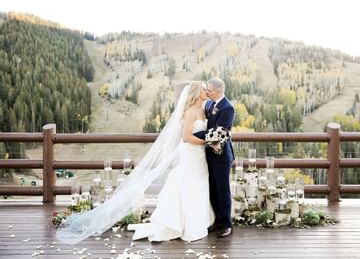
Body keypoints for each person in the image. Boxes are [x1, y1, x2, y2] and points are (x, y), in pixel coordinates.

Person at [57, 81, 214, 244]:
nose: (206, 91)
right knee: (190, 184)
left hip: (199, 155)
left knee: (199, 184)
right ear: (196, 93)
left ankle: (196, 222)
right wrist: (207, 141)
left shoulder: (202, 109)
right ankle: (183, 224)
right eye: (203, 89)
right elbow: (186, 137)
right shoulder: (190, 112)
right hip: (191, 153)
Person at [204, 77, 235, 238]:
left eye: (208, 90)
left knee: (223, 190)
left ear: (217, 91)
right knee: (212, 189)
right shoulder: (209, 104)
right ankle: (217, 220)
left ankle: (226, 224)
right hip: (208, 153)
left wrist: (195, 135)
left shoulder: (228, 108)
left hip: (221, 155)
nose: (206, 92)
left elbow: (219, 133)